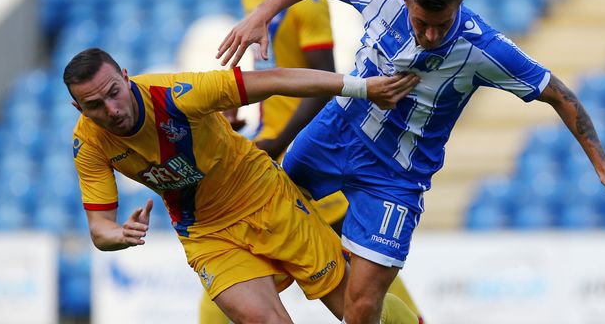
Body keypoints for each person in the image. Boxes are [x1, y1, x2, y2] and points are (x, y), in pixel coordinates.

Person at [218, 0, 605, 324]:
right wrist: (260, 16)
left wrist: (603, 164)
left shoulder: (483, 47)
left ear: (458, 8)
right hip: (337, 133)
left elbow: (559, 93)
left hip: (394, 177)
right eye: (421, 23)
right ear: (406, 0)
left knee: (362, 304)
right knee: (264, 212)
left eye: (441, 25)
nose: (430, 35)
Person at [64, 48, 420, 323]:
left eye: (114, 92)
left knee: (354, 307)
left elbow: (278, 79)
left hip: (266, 198)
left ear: (126, 78)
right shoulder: (89, 144)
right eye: (94, 105)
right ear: (77, 106)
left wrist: (363, 88)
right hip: (207, 232)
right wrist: (120, 234)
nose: (111, 110)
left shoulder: (177, 94)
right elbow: (99, 230)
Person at [203, 0, 426, 324]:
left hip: (303, 155)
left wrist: (282, 140)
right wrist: (239, 113)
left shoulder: (309, 8)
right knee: (236, 273)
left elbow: (325, 83)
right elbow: (269, 74)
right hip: (271, 151)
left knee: (366, 281)